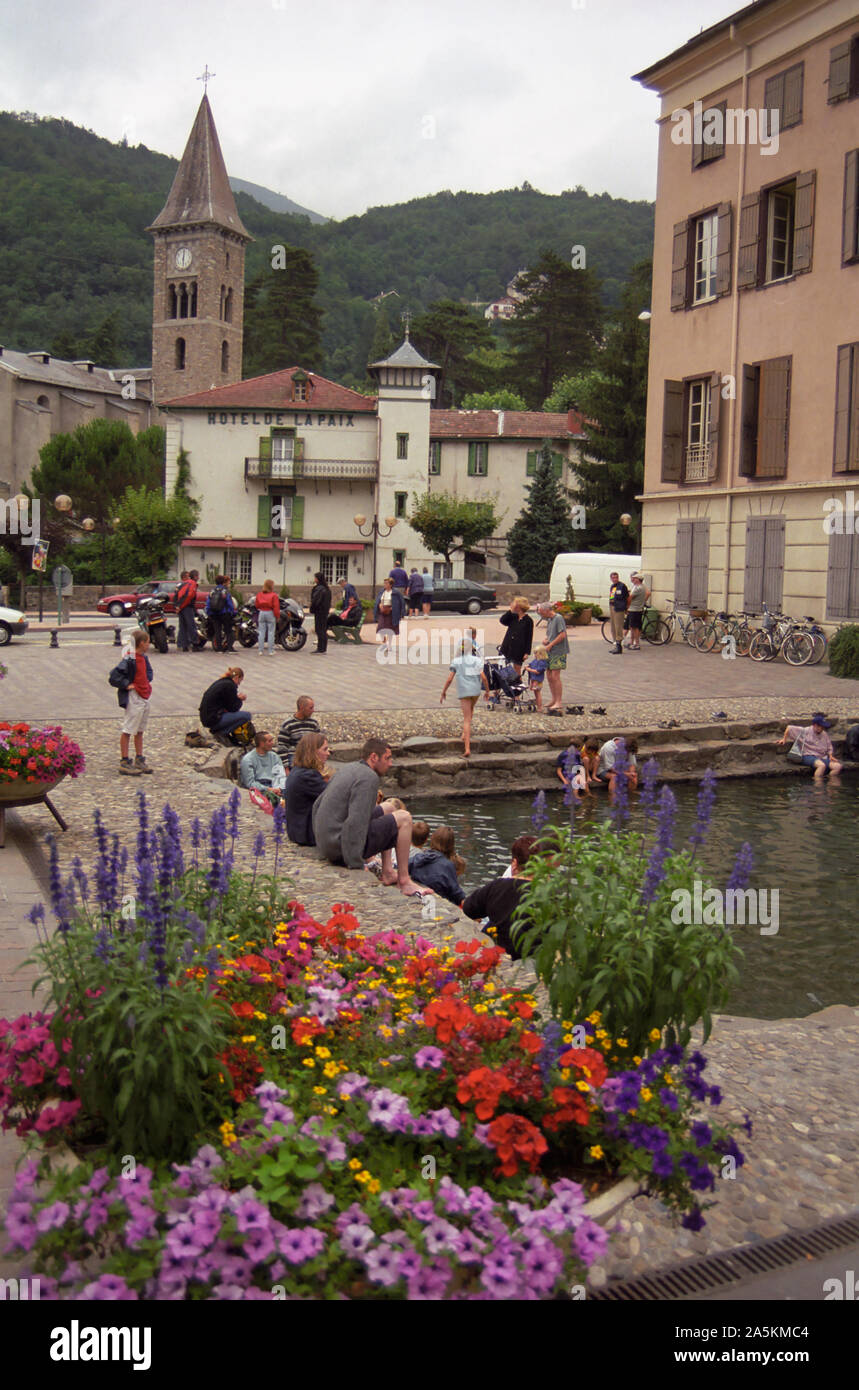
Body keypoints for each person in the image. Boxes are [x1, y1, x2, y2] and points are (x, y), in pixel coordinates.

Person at [311, 736, 428, 897]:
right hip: (340, 848)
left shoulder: (348, 769)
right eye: (387, 758)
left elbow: (317, 805)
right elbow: (355, 822)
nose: (390, 763)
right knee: (405, 818)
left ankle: (387, 871)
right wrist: (355, 863)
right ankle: (405, 881)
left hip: (327, 843)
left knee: (389, 807)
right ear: (374, 757)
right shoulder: (369, 778)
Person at [461, 834, 539, 959]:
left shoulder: (497, 886)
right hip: (531, 956)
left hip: (499, 951)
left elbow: (469, 909)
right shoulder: (545, 895)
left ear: (514, 863)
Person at [441, 638, 490, 757]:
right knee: (471, 710)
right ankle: (464, 734)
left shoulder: (456, 661)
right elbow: (483, 677)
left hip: (464, 690)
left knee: (466, 719)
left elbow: (449, 679)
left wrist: (444, 691)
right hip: (475, 690)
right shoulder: (477, 660)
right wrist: (487, 691)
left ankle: (467, 748)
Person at [117, 628, 154, 775]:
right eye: (147, 642)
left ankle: (139, 757)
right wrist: (128, 684)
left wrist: (146, 682)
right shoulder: (129, 659)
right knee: (129, 728)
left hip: (143, 695)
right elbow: (115, 676)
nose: (149, 645)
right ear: (142, 643)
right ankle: (124, 760)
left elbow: (149, 673)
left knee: (140, 729)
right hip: (134, 696)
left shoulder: (143, 658)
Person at [284, 732, 331, 844]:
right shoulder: (308, 776)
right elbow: (335, 796)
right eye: (325, 750)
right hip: (306, 833)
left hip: (296, 830)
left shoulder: (297, 771)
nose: (328, 753)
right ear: (313, 752)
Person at [409, 826, 466, 907]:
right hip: (439, 902)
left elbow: (402, 868)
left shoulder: (418, 857)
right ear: (451, 845)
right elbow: (457, 894)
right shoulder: (447, 865)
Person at [778, 713, 842, 779]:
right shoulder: (805, 731)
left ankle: (830, 781)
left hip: (822, 756)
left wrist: (830, 755)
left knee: (837, 766)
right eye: (821, 726)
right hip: (808, 755)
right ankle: (818, 784)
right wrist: (784, 739)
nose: (822, 728)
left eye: (823, 727)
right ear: (815, 725)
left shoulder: (824, 734)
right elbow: (789, 728)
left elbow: (829, 746)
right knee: (821, 766)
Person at [199, 666, 252, 745]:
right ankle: (221, 732)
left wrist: (235, 698)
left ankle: (219, 730)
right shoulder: (230, 686)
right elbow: (233, 708)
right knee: (246, 716)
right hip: (214, 719)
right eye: (240, 680)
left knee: (239, 715)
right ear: (237, 677)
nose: (239, 683)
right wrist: (240, 699)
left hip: (207, 717)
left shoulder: (222, 682)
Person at [536, 602, 570, 714]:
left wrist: (550, 645)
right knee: (549, 675)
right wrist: (546, 640)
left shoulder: (558, 618)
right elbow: (550, 634)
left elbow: (562, 635)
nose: (541, 615)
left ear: (547, 611)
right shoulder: (550, 620)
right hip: (550, 651)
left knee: (555, 676)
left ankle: (559, 701)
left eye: (541, 612)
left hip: (558, 651)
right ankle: (554, 699)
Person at [239, 730, 287, 804]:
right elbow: (250, 783)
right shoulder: (248, 759)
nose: (272, 743)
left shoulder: (274, 756)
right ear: (262, 743)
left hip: (275, 785)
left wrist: (279, 788)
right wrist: (268, 789)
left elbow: (281, 775)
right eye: (270, 741)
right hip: (260, 787)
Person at [277, 695, 320, 769]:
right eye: (310, 708)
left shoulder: (313, 723)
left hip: (310, 755)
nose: (313, 710)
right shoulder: (288, 725)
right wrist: (286, 767)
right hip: (295, 756)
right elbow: (282, 747)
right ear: (301, 708)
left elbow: (319, 742)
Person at [498, 597, 533, 675]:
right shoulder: (512, 616)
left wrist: (527, 652)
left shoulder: (528, 620)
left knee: (517, 669)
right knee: (503, 668)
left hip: (519, 648)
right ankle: (505, 685)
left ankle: (517, 685)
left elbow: (529, 636)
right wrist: (510, 610)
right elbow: (502, 621)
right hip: (507, 646)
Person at [374, 576, 405, 654]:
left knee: (390, 630)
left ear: (391, 585)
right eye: (384, 583)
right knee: (380, 628)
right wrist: (379, 605)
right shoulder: (382, 592)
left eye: (386, 583)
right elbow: (378, 600)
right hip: (382, 611)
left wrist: (399, 611)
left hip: (391, 612)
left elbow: (401, 602)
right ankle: (384, 642)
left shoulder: (395, 592)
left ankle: (389, 645)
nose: (385, 585)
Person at [206, 575, 237, 653]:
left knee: (217, 631)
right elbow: (229, 602)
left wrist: (209, 612)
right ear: (223, 582)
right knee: (228, 630)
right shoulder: (225, 591)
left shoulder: (212, 591)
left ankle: (219, 649)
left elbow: (208, 602)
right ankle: (230, 648)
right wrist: (233, 611)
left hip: (214, 613)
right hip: (224, 613)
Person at [254, 578, 280, 656]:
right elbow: (276, 607)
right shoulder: (274, 595)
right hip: (270, 612)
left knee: (261, 632)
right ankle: (270, 650)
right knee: (271, 632)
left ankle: (260, 650)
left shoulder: (259, 594)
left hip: (261, 612)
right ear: (271, 586)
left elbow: (256, 605)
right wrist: (277, 616)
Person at [175, 569, 199, 653]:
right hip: (187, 606)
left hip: (180, 607)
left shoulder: (179, 584)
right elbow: (189, 596)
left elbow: (175, 596)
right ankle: (195, 644)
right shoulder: (191, 583)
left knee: (182, 626)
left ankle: (182, 645)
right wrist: (182, 605)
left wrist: (177, 606)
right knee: (191, 625)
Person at [626, 574, 651, 651]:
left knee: (635, 628)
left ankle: (637, 644)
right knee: (633, 627)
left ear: (638, 579)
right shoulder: (641, 587)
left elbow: (630, 597)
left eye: (634, 578)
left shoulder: (638, 588)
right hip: (637, 609)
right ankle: (632, 642)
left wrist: (626, 607)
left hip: (634, 610)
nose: (632, 579)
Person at [607, 571, 630, 656]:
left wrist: (627, 608)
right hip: (612, 607)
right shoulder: (613, 586)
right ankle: (615, 644)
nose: (615, 579)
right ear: (611, 579)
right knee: (613, 626)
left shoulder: (622, 586)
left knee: (618, 626)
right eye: (613, 578)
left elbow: (627, 597)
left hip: (619, 608)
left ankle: (619, 646)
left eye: (616, 577)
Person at [522, 644, 549, 712]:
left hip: (538, 680)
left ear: (540, 653)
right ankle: (537, 704)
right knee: (535, 692)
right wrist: (528, 665)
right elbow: (531, 664)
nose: (535, 654)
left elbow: (537, 671)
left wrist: (529, 669)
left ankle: (540, 707)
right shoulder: (536, 660)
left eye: (535, 653)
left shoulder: (542, 662)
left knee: (537, 693)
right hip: (533, 679)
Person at [309, 572, 331, 655]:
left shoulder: (319, 589)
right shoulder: (327, 589)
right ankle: (323, 648)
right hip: (324, 611)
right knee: (323, 629)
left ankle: (320, 648)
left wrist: (312, 608)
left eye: (315, 578)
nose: (314, 579)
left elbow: (315, 600)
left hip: (319, 611)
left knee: (319, 629)